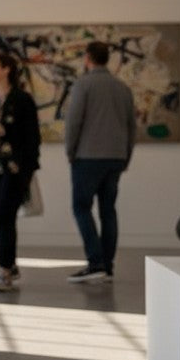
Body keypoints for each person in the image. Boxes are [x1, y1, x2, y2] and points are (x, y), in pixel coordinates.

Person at [63, 40, 136, 282]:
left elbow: (74, 122)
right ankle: (107, 265)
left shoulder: (84, 85)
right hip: (115, 157)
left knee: (81, 207)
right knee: (108, 210)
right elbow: (131, 127)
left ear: (88, 58)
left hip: (88, 156)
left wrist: (70, 151)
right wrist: (126, 156)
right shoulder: (122, 88)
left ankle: (95, 263)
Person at [0, 53, 40, 293]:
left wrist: (27, 166)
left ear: (6, 70)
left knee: (5, 214)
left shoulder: (22, 100)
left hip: (13, 167)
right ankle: (9, 264)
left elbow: (32, 137)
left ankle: (4, 270)